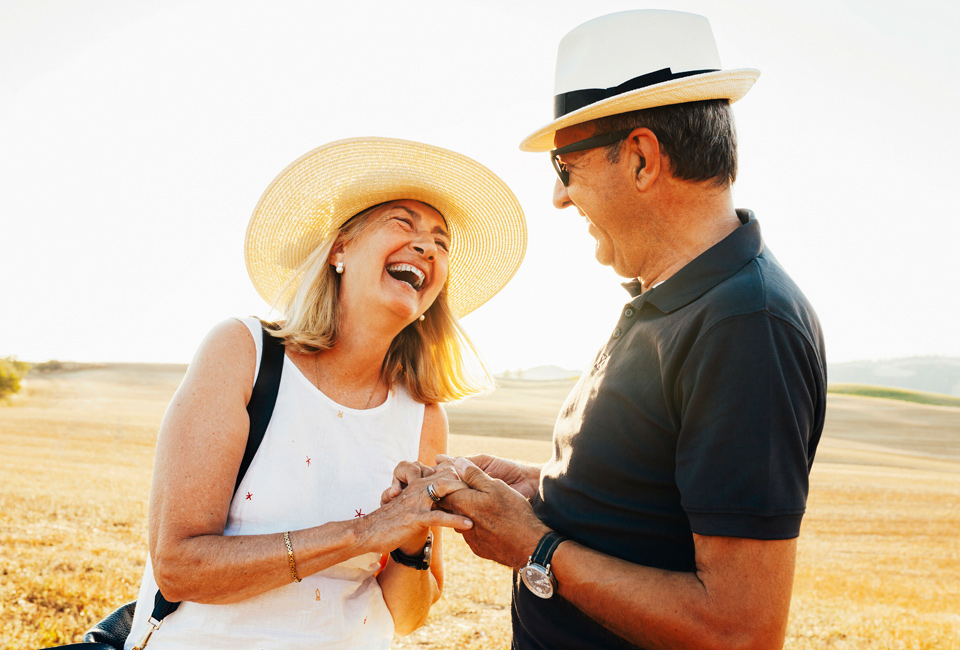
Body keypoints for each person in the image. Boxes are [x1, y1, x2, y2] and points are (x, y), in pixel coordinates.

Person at [435, 10, 827, 650]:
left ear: (643, 158)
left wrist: (533, 545)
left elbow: (741, 632)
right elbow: (647, 513)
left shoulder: (745, 325)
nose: (560, 199)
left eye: (565, 167)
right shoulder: (681, 300)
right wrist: (539, 493)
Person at [122, 137, 527, 649]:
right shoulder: (244, 352)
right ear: (340, 249)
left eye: (441, 243)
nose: (427, 247)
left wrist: (409, 542)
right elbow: (180, 566)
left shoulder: (423, 415)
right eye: (403, 224)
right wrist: (363, 532)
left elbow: (406, 616)